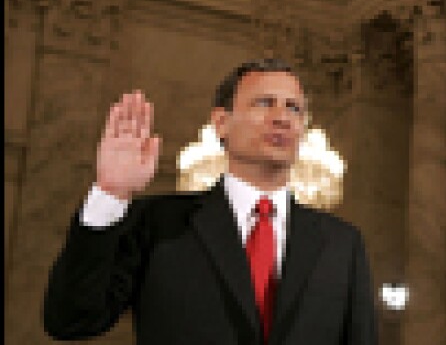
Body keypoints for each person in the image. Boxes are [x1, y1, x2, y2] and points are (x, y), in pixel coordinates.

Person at [43, 59, 378, 345]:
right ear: (221, 123)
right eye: (264, 103)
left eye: (294, 108)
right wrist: (110, 193)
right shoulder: (159, 222)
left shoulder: (342, 243)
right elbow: (71, 320)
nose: (282, 117)